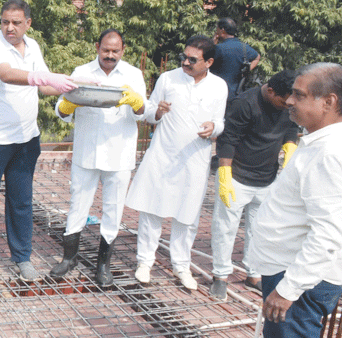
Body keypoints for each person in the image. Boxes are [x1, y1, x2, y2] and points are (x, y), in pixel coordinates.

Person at [230, 63, 342, 338]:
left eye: (299, 95)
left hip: (300, 279)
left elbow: (329, 233)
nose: (289, 101)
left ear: (328, 102)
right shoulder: (319, 142)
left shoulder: (329, 154)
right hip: (292, 271)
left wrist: (289, 289)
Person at [0, 0, 76, 280]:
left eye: (16, 22)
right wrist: (43, 77)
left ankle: (22, 257)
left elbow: (45, 87)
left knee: (21, 202)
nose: (10, 27)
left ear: (28, 23)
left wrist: (70, 88)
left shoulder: (33, 46)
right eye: (5, 22)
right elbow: (7, 74)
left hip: (25, 138)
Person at [126, 35, 227, 290]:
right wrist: (158, 111)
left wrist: (213, 127)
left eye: (192, 60)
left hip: (195, 158)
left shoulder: (219, 86)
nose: (185, 62)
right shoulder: (168, 78)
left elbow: (220, 122)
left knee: (187, 214)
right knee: (152, 209)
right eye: (184, 57)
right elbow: (149, 112)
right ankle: (145, 262)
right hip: (163, 153)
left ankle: (181, 265)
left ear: (209, 62)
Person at [49, 29, 147, 287]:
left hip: (119, 152)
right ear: (97, 47)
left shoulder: (133, 75)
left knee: (113, 209)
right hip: (87, 152)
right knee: (77, 204)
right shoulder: (82, 72)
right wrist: (69, 104)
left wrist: (135, 101)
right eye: (106, 50)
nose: (110, 55)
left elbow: (142, 113)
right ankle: (69, 258)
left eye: (115, 51)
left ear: (123, 51)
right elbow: (61, 110)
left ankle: (103, 264)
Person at [209, 71, 299, 300]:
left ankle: (254, 273)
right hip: (237, 176)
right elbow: (228, 139)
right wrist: (225, 174)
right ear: (271, 91)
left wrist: (290, 145)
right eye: (284, 101)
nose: (288, 105)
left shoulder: (289, 104)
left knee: (259, 229)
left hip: (267, 177)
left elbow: (291, 127)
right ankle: (220, 275)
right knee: (225, 227)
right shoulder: (245, 103)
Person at [210, 17, 260, 99]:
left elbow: (206, 61)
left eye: (217, 28)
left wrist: (213, 44)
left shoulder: (218, 48)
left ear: (222, 30)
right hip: (237, 94)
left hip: (217, 93)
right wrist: (247, 70)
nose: (216, 31)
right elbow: (257, 57)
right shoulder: (244, 47)